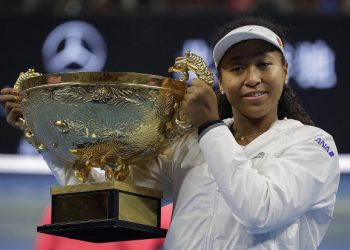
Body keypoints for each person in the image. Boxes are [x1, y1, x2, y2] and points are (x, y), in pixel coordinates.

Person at [1, 16, 340, 249]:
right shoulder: (191, 146)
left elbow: (260, 211)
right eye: (237, 68)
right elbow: (105, 206)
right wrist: (47, 136)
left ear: (285, 71)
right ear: (221, 82)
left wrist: (208, 126)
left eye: (264, 64)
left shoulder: (312, 145)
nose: (252, 78)